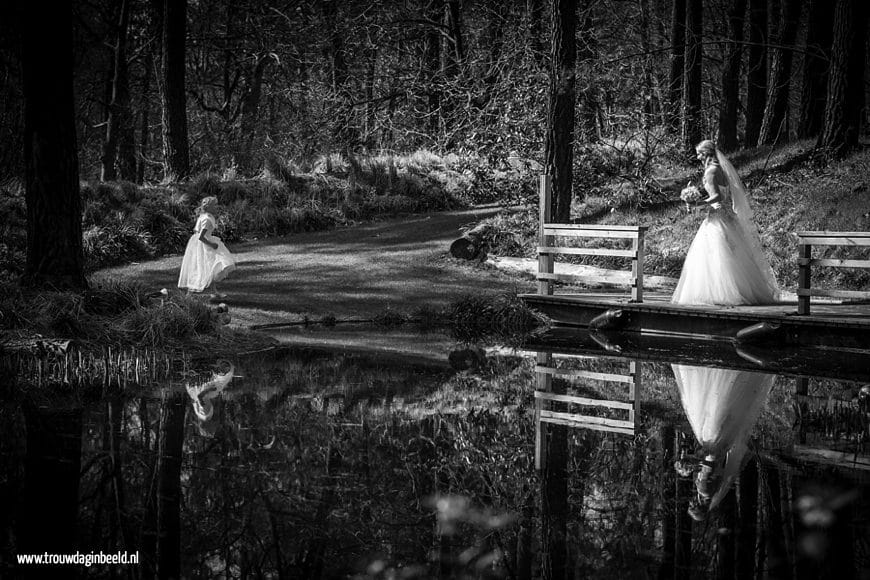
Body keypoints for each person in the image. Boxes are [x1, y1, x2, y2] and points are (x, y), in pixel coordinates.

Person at [671, 140, 780, 305]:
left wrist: (697, 203)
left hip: (718, 217)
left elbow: (717, 197)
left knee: (716, 254)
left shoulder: (711, 171)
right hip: (728, 216)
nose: (698, 157)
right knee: (734, 254)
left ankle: (721, 294)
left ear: (706, 154)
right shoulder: (721, 169)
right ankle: (744, 291)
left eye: (699, 153)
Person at [671, 363, 776, 520]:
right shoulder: (704, 489)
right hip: (713, 441)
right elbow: (710, 460)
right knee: (714, 402)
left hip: (722, 446)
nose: (690, 503)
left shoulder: (713, 492)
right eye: (692, 506)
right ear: (698, 506)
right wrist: (692, 460)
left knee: (726, 405)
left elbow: (713, 464)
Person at [178, 196, 236, 298]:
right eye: (215, 205)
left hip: (204, 241)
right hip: (204, 243)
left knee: (212, 266)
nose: (217, 207)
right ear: (209, 207)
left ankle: (214, 291)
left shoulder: (205, 216)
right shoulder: (207, 219)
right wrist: (212, 244)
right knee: (201, 267)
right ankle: (189, 293)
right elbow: (201, 236)